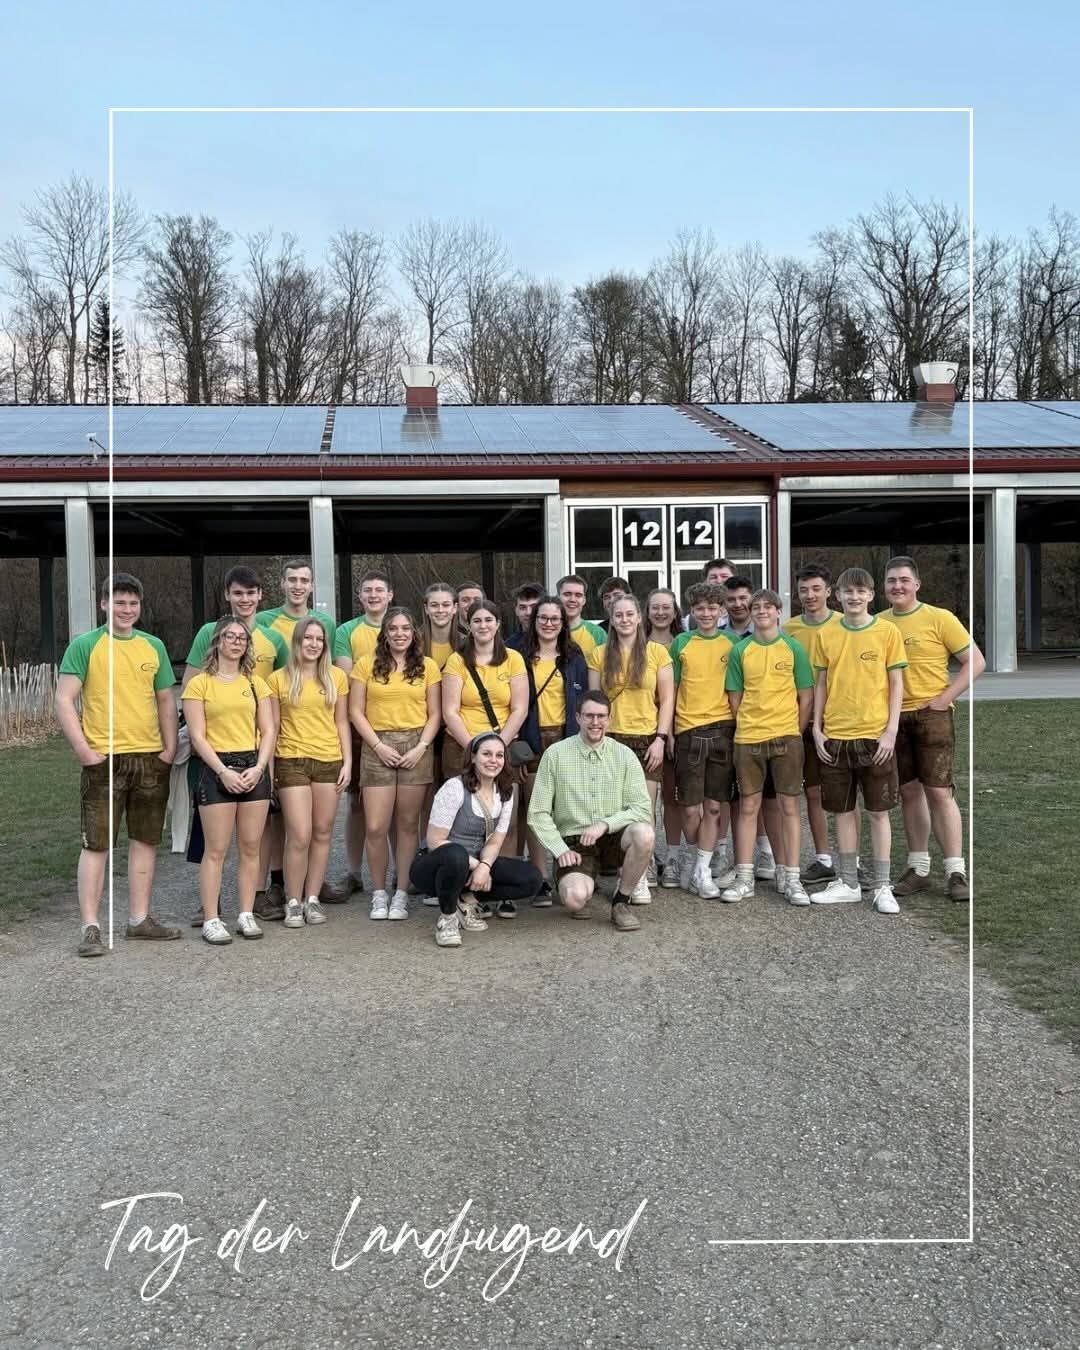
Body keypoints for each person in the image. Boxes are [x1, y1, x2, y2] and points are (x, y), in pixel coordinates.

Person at [56, 573, 180, 957]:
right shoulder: (85, 645)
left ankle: (139, 919)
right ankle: (90, 926)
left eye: (133, 603)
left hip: (149, 757)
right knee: (97, 844)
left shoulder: (153, 646)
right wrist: (84, 751)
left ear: (140, 607)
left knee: (145, 840)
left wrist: (169, 749)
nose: (127, 609)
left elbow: (164, 700)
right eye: (119, 602)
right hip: (103, 758)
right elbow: (64, 700)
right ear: (104, 604)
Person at [183, 565, 288, 924]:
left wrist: (260, 767)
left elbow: (272, 720)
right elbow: (196, 724)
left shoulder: (265, 663)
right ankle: (210, 912)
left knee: (252, 845)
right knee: (214, 845)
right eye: (229, 637)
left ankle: (248, 908)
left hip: (254, 763)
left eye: (241, 639)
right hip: (216, 764)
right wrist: (221, 769)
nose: (235, 641)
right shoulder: (202, 669)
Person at [880, 554, 984, 902]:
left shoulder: (939, 618)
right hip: (894, 719)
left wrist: (944, 698)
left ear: (917, 584)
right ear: (884, 587)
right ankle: (919, 868)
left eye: (904, 580)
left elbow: (976, 661)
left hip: (932, 715)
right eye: (892, 581)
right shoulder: (878, 623)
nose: (898, 586)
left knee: (939, 792)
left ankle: (956, 870)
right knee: (909, 793)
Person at [811, 567, 907, 914]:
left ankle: (883, 886)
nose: (854, 598)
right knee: (842, 811)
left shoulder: (887, 632)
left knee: (879, 813)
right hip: (835, 736)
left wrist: (891, 731)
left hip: (874, 736)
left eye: (860, 592)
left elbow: (896, 684)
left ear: (870, 595)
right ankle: (848, 882)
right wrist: (817, 727)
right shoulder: (826, 634)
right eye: (847, 592)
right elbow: (821, 683)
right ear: (837, 595)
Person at [527, 690, 655, 933]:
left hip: (613, 838)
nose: (595, 723)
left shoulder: (624, 755)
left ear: (609, 719)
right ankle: (583, 882)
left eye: (601, 716)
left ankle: (621, 901)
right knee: (576, 899)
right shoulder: (555, 755)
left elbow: (642, 808)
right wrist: (559, 849)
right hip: (575, 845)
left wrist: (605, 824)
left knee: (644, 834)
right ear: (577, 717)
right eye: (589, 716)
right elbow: (538, 813)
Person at [722, 589, 814, 906]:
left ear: (778, 612)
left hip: (786, 737)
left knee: (789, 807)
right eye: (756, 607)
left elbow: (806, 696)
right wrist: (750, 724)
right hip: (748, 739)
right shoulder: (740, 650)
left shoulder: (793, 648)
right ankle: (745, 878)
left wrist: (794, 731)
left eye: (767, 606)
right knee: (748, 807)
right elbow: (735, 697)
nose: (761, 611)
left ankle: (791, 878)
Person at [349, 607, 441, 920]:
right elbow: (355, 712)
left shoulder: (427, 667)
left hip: (417, 745)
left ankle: (402, 892)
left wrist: (421, 747)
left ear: (414, 632)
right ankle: (378, 893)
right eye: (393, 629)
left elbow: (436, 714)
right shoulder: (365, 665)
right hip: (377, 745)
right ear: (384, 634)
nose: (399, 634)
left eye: (405, 628)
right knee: (375, 825)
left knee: (407, 824)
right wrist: (376, 745)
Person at [411, 732, 544, 947]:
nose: (493, 760)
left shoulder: (505, 791)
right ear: (473, 757)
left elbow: (496, 840)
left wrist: (485, 865)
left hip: (472, 862)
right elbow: (435, 840)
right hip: (435, 865)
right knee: (456, 856)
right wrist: (476, 865)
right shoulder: (454, 788)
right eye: (487, 754)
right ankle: (447, 919)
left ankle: (466, 901)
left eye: (499, 755)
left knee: (531, 878)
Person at [587, 593, 674, 904]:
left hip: (646, 738)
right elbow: (594, 701)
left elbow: (666, 701)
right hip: (610, 739)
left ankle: (639, 874)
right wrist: (595, 738)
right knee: (608, 807)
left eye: (629, 614)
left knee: (644, 807)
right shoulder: (598, 654)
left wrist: (661, 739)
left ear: (640, 618)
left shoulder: (657, 654)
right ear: (612, 619)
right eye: (618, 615)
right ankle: (609, 866)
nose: (624, 620)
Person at [266, 616, 350, 928]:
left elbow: (342, 722)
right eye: (307, 639)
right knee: (299, 834)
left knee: (323, 832)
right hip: (292, 759)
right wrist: (270, 769)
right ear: (297, 643)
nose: (313, 644)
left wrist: (348, 762)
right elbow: (272, 728)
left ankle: (312, 898)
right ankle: (292, 899)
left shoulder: (336, 678)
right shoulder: (278, 679)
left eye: (319, 639)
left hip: (329, 760)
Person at [324, 569, 394, 902]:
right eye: (368, 590)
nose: (374, 595)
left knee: (401, 808)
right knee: (358, 805)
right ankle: (354, 872)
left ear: (390, 595)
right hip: (359, 725)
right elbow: (348, 677)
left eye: (380, 590)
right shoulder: (346, 631)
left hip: (398, 724)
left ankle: (400, 873)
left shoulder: (402, 626)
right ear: (361, 596)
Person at [668, 581, 738, 898]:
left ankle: (701, 869)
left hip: (723, 729)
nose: (706, 614)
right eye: (700, 609)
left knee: (713, 807)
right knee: (690, 808)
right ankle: (694, 855)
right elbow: (671, 692)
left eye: (712, 608)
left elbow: (738, 690)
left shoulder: (733, 644)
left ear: (721, 611)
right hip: (688, 731)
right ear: (691, 612)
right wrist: (668, 732)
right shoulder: (681, 643)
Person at [517, 595, 589, 897]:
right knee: (537, 810)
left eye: (554, 619)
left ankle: (568, 872)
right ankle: (540, 877)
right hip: (532, 739)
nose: (548, 624)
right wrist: (516, 746)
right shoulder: (517, 654)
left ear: (563, 623)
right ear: (534, 622)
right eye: (543, 618)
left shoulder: (574, 656)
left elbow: (584, 701)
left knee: (568, 809)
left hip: (565, 738)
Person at [783, 563, 844, 888]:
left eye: (816, 589)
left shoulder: (843, 624)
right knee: (813, 792)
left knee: (846, 794)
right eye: (804, 590)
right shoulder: (789, 629)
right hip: (797, 721)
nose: (810, 595)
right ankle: (824, 859)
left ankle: (853, 861)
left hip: (837, 720)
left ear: (829, 591)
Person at [645, 588, 686, 886]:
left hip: (680, 728)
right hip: (647, 730)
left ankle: (672, 856)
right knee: (646, 799)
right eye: (655, 607)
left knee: (672, 797)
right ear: (646, 612)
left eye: (666, 607)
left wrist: (670, 731)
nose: (660, 612)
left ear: (675, 612)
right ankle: (646, 855)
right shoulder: (636, 645)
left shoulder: (683, 644)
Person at [256, 558, 336, 648]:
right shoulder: (262, 621)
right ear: (282, 583)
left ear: (312, 586)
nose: (298, 586)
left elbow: (328, 661)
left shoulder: (326, 623)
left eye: (304, 581)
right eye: (292, 580)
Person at [556, 574, 606, 660]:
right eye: (567, 594)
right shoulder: (547, 631)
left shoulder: (597, 634)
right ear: (557, 598)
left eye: (578, 595)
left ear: (584, 600)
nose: (572, 599)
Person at [421, 581, 458, 674]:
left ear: (455, 608)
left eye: (446, 605)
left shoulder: (467, 645)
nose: (440, 610)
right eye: (434, 605)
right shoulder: (413, 644)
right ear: (426, 609)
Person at [506, 580, 545, 648]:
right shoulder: (509, 647)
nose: (528, 613)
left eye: (533, 607)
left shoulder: (559, 642)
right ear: (516, 611)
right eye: (522, 607)